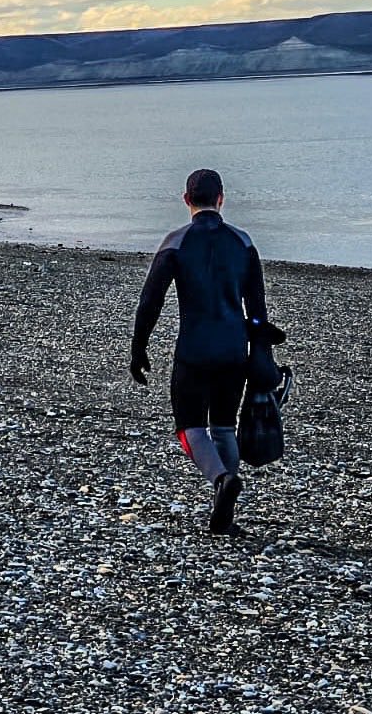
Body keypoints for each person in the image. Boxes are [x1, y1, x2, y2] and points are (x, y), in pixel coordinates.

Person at [130, 169, 272, 535]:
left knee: (189, 428)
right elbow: (257, 310)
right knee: (224, 427)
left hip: (193, 350)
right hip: (233, 350)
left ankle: (222, 480)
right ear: (221, 198)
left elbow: (151, 301)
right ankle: (224, 513)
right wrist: (261, 354)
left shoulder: (176, 242)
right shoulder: (243, 242)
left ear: (185, 199)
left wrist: (139, 347)